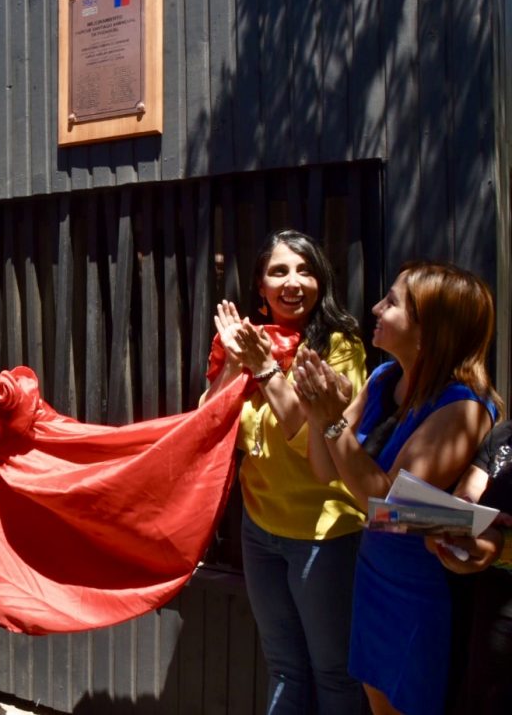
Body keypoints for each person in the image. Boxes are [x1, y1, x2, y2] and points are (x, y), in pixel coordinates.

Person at [295, 261, 502, 715]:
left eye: (391, 302)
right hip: (374, 573)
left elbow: (387, 509)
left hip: (422, 587)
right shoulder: (383, 377)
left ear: (429, 331)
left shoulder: (463, 408)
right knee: (377, 698)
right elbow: (323, 471)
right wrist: (317, 411)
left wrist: (332, 421)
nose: (375, 308)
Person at [202, 229, 367, 714]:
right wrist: (234, 363)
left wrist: (264, 368)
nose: (293, 282)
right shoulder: (251, 342)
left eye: (305, 270)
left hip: (324, 533)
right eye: (279, 271)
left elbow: (306, 436)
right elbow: (208, 418)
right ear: (261, 286)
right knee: (284, 667)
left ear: (321, 281)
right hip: (260, 528)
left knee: (333, 672)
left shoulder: (340, 347)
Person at [424, 421, 512, 715]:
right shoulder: (503, 435)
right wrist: (456, 521)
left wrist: (501, 545)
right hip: (489, 613)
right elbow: (467, 495)